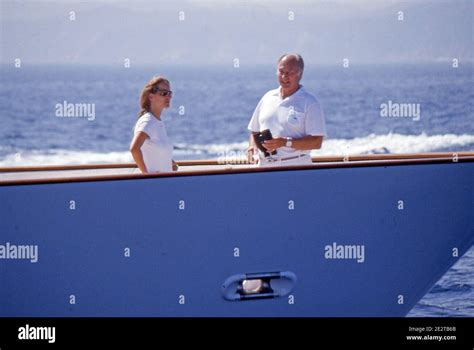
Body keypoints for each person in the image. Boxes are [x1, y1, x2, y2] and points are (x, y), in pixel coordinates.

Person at [247, 54, 326, 166]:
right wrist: (252, 147)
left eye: (290, 73)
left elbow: (316, 142)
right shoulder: (267, 97)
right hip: (263, 167)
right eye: (281, 72)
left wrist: (285, 142)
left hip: (295, 167)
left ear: (300, 74)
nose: (284, 76)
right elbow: (254, 131)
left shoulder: (310, 103)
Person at [130, 76, 178, 173]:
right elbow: (134, 149)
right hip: (154, 185)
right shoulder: (148, 121)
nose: (168, 96)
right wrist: (146, 174)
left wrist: (169, 162)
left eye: (170, 93)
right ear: (151, 96)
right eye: (164, 93)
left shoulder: (157, 122)